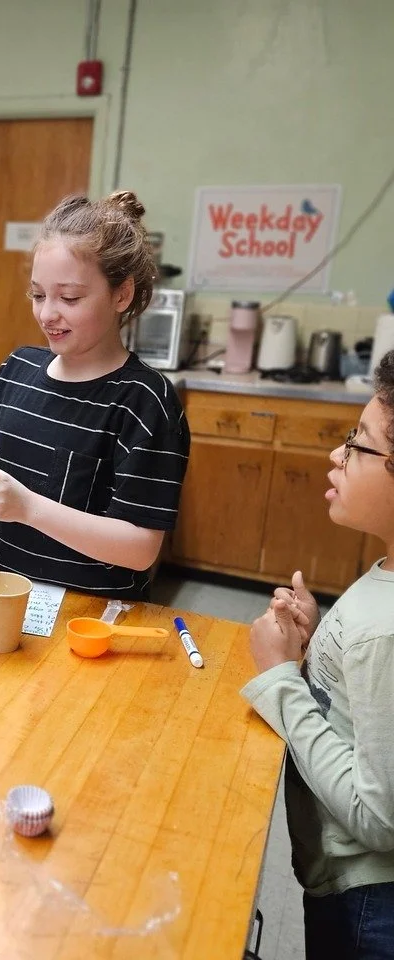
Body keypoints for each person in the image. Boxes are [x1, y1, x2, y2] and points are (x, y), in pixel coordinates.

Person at [0, 191, 190, 599]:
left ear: (122, 295)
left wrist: (26, 507)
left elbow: (140, 549)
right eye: (38, 295)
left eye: (70, 298)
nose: (47, 314)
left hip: (94, 622)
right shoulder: (16, 370)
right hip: (4, 599)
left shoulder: (145, 401)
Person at [245, 352, 394, 959]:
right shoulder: (382, 584)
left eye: (358, 443)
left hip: (366, 904)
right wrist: (320, 645)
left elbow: (376, 814)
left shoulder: (383, 633)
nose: (338, 455)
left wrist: (282, 679)